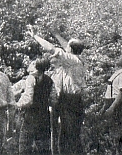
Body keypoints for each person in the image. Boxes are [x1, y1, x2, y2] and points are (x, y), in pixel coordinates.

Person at [29, 27, 86, 155]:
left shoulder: (73, 61)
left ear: (70, 50)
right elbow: (67, 46)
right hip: (72, 100)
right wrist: (56, 34)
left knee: (68, 137)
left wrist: (35, 36)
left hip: (69, 100)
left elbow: (51, 48)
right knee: (68, 136)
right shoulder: (78, 59)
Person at [16, 57, 58, 155]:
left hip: (30, 116)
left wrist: (17, 104)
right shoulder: (49, 80)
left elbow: (29, 99)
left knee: (25, 146)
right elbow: (54, 100)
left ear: (35, 66)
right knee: (43, 148)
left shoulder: (31, 78)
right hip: (44, 116)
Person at [99, 54, 122, 155]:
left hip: (120, 106)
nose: (119, 58)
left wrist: (112, 108)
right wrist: (104, 107)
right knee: (114, 136)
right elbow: (110, 91)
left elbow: (121, 93)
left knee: (120, 136)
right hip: (112, 103)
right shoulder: (118, 74)